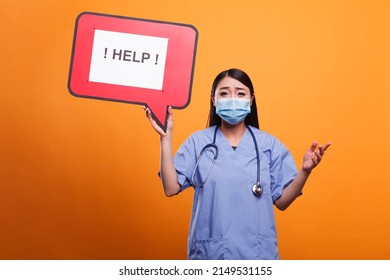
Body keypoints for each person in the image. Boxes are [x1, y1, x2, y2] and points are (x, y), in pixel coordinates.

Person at [144, 68, 331, 260]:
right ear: (213, 100)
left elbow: (282, 202)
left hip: (258, 256)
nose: (232, 98)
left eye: (240, 93)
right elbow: (170, 188)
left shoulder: (268, 145)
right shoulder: (198, 143)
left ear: (251, 100)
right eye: (224, 93)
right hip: (211, 256)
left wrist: (305, 171)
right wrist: (165, 139)